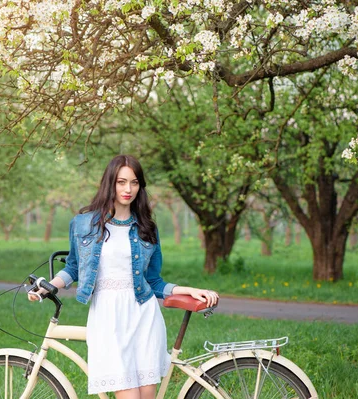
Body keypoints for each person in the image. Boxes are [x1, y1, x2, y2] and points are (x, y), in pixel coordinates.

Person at [29, 154, 218, 399]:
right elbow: (74, 268)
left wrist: (188, 290)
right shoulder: (84, 223)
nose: (128, 189)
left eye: (134, 182)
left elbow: (154, 281)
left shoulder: (146, 226)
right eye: (121, 182)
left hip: (143, 315)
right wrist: (47, 287)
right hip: (108, 318)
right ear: (110, 183)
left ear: (140, 186)